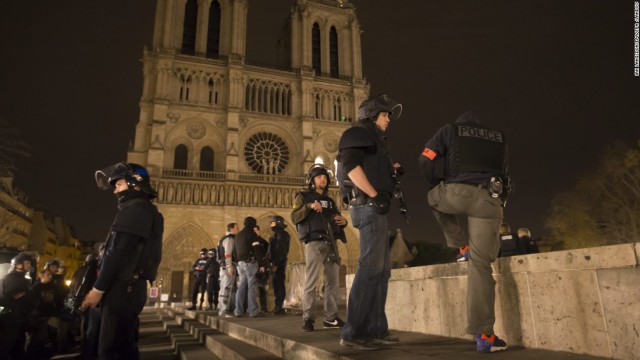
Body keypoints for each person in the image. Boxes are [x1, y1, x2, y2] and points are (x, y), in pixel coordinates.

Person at [418, 110, 510, 353]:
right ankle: (485, 337)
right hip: (490, 200)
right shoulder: (497, 137)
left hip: (456, 192)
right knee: (481, 266)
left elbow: (425, 159)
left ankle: (461, 245)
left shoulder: (449, 130)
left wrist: (436, 183)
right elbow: (505, 174)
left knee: (433, 198)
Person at [336, 94, 402, 350]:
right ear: (371, 115)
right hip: (369, 206)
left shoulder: (374, 139)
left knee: (381, 271)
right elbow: (349, 166)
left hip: (376, 208)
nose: (388, 119)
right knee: (369, 268)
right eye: (385, 114)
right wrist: (374, 195)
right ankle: (353, 333)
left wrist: (390, 170)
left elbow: (368, 167)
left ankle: (376, 328)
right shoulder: (357, 132)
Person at [81, 162, 164, 359]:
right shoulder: (142, 209)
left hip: (122, 288)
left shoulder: (136, 209)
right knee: (120, 347)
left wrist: (98, 289)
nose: (115, 191)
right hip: (127, 287)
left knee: (111, 349)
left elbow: (119, 250)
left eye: (118, 185)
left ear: (134, 183)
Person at [292, 165, 347, 332]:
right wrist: (309, 207)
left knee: (332, 282)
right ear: (312, 181)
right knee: (311, 282)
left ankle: (331, 318)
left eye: (325, 177)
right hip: (314, 242)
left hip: (330, 242)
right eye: (319, 177)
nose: (323, 179)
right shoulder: (302, 196)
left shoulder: (330, 201)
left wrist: (343, 222)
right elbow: (294, 217)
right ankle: (308, 318)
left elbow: (336, 218)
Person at [233, 217, 267, 318]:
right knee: (251, 286)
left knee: (241, 287)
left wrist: (238, 262)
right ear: (253, 224)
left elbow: (234, 251)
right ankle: (253, 311)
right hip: (250, 263)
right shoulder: (252, 235)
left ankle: (238, 311)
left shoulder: (238, 235)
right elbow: (257, 250)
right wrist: (261, 264)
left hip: (240, 264)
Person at [268, 215, 290, 315]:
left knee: (279, 284)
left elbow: (280, 251)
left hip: (279, 263)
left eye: (272, 222)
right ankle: (278, 306)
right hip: (277, 262)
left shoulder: (282, 235)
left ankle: (279, 307)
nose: (270, 225)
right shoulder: (278, 234)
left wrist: (275, 263)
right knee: (277, 284)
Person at [217, 223, 239, 317]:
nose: (238, 229)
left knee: (224, 287)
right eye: (236, 227)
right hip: (227, 266)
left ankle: (222, 308)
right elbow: (228, 253)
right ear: (231, 229)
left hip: (223, 266)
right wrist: (230, 266)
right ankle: (225, 309)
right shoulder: (229, 239)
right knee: (227, 288)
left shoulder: (223, 238)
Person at [253, 225, 270, 313]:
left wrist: (265, 265)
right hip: (252, 266)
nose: (255, 232)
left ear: (259, 231)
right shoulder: (251, 241)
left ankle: (263, 308)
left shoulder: (264, 242)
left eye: (256, 230)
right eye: (253, 230)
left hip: (262, 267)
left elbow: (267, 254)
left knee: (261, 288)